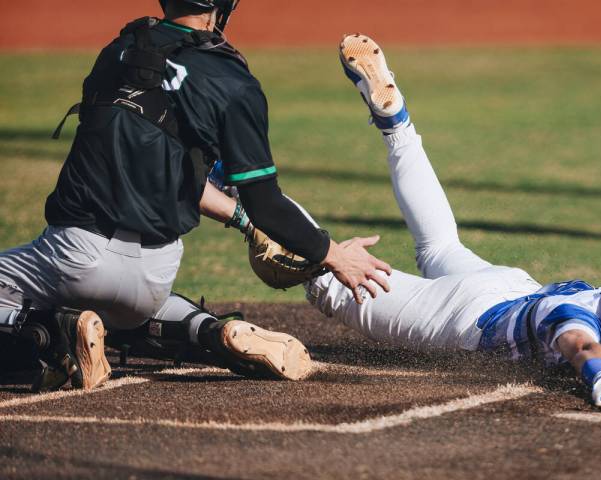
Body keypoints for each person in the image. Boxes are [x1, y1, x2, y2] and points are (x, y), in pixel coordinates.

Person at [297, 34, 601, 408]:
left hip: (507, 289)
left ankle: (397, 125)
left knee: (440, 247)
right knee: (324, 279)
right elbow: (581, 346)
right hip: (463, 317)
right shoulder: (574, 316)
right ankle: (246, 188)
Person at [0, 1, 391, 391]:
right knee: (124, 315)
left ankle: (51, 329)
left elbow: (141, 162)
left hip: (73, 257)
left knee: (60, 310)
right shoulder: (232, 81)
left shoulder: (116, 53)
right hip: (153, 277)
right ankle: (207, 330)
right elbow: (263, 203)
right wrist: (333, 255)